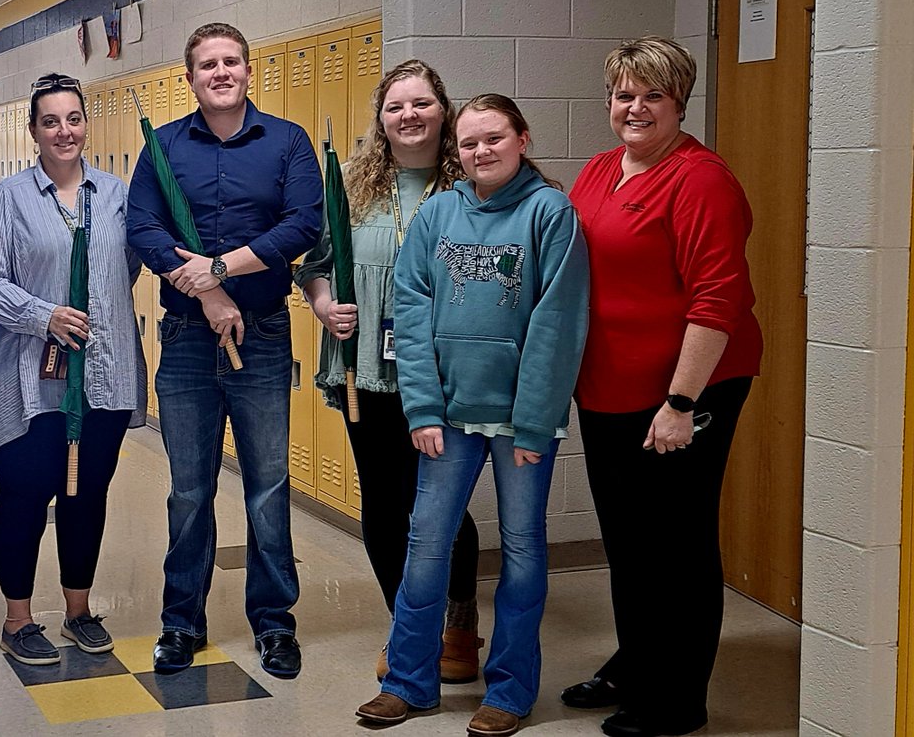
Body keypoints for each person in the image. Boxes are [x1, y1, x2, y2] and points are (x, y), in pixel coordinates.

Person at [356, 95, 589, 737]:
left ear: (521, 138)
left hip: (521, 422)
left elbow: (558, 321)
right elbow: (411, 308)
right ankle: (409, 681)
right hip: (449, 417)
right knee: (425, 545)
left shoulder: (551, 213)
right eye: (468, 143)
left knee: (522, 551)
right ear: (454, 151)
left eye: (494, 139)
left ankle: (509, 691)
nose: (481, 152)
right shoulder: (440, 213)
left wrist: (537, 421)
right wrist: (422, 408)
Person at [560, 37, 763, 737]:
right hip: (610, 387)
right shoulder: (596, 171)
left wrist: (680, 404)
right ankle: (637, 661)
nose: (636, 107)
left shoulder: (701, 179)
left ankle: (677, 697)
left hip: (684, 389)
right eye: (624, 94)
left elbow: (719, 299)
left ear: (680, 101)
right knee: (629, 537)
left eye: (653, 95)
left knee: (675, 542)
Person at [127, 23, 322, 679]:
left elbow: (302, 223)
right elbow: (143, 226)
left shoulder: (288, 142)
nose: (220, 71)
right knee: (188, 491)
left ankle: (274, 624)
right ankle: (181, 622)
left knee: (267, 487)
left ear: (248, 69)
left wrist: (222, 269)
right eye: (206, 64)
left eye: (231, 61)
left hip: (262, 333)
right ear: (190, 78)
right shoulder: (163, 146)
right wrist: (204, 291)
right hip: (185, 337)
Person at [293, 60, 482, 683]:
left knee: (443, 503)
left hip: (446, 368)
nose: (409, 116)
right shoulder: (351, 184)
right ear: (380, 118)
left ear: (443, 110)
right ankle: (408, 628)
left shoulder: (471, 183)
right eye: (396, 106)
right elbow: (314, 262)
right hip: (367, 369)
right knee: (384, 499)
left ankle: (458, 623)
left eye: (422, 103)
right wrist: (323, 303)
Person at [0, 73, 146, 666]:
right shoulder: (9, 199)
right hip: (27, 378)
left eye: (74, 119)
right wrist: (45, 315)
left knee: (85, 494)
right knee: (24, 493)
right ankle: (18, 620)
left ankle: (77, 610)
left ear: (86, 125)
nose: (64, 131)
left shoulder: (116, 194)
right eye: (51, 121)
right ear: (33, 131)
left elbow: (128, 269)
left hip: (105, 374)